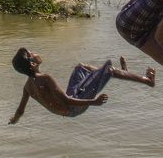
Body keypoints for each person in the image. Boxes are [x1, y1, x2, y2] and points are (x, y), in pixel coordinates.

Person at [8, 48, 154, 123]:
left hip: (71, 103)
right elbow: (66, 100)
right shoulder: (45, 78)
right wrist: (94, 102)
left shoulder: (28, 86)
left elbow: (20, 111)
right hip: (73, 107)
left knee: (80, 67)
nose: (35, 52)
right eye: (32, 53)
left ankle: (117, 73)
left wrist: (14, 120)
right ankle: (147, 80)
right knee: (109, 70)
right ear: (33, 64)